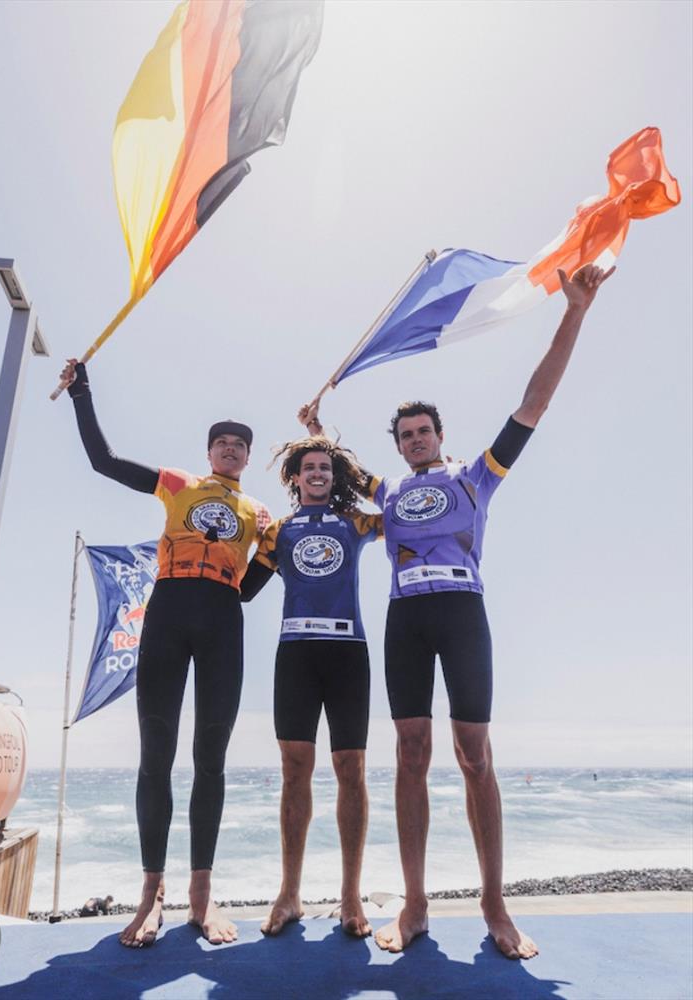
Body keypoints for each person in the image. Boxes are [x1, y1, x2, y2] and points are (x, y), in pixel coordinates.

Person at [322, 264, 613, 958]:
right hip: (405, 620)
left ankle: (493, 904)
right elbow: (330, 466)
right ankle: (416, 904)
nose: (416, 439)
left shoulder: (475, 476)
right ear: (396, 447)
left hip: (462, 614)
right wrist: (317, 430)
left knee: (475, 753)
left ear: (440, 436)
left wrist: (574, 309)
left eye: (424, 431)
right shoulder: (387, 491)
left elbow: (534, 404)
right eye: (406, 435)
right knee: (411, 753)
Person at [59, 360, 270, 948]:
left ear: (248, 459)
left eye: (239, 445)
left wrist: (273, 549)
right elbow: (105, 462)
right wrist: (83, 392)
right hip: (169, 614)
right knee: (156, 753)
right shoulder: (178, 484)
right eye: (222, 442)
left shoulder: (258, 514)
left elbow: (254, 585)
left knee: (211, 758)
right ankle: (151, 895)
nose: (230, 450)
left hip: (223, 621)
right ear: (209, 453)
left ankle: (202, 896)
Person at [240, 430, 382, 938]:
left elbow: (404, 519)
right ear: (295, 478)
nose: (318, 473)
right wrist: (246, 536)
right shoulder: (277, 531)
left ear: (334, 476)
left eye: (325, 467)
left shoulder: (356, 521)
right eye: (310, 468)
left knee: (351, 768)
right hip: (296, 655)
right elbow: (244, 592)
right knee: (294, 767)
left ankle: (350, 897)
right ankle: (289, 894)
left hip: (348, 653)